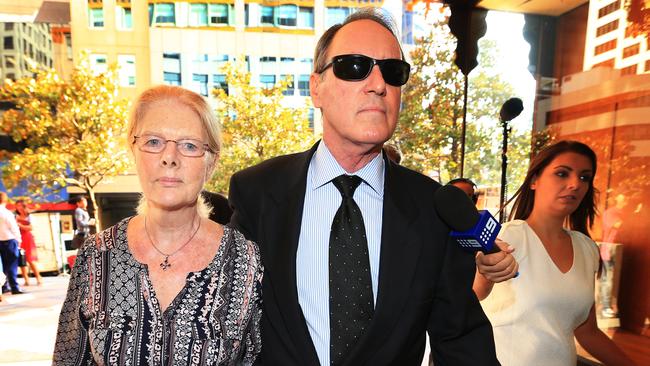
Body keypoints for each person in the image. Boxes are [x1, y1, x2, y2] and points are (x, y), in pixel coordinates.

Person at [229, 8, 498, 366]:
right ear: (315, 88)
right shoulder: (257, 193)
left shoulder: (431, 208)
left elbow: (462, 343)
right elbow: (223, 325)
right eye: (353, 67)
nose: (377, 84)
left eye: (392, 72)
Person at [53, 85, 262, 365]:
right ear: (133, 150)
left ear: (211, 163)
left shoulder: (245, 259)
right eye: (153, 142)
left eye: (189, 145)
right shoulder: (96, 255)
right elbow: (69, 360)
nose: (169, 157)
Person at [473, 140, 635, 365]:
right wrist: (485, 273)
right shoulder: (509, 237)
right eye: (562, 173)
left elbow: (587, 332)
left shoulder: (587, 249)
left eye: (584, 177)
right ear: (534, 180)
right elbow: (473, 296)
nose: (575, 185)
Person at [0, 192, 25, 295]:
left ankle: (4, 286)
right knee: (11, 265)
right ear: (5, 200)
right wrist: (19, 240)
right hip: (9, 240)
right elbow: (14, 228)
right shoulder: (7, 213)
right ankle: (14, 287)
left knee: (2, 266)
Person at [15, 199, 43, 286]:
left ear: (24, 206)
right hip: (19, 238)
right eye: (17, 205)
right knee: (22, 260)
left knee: (31, 259)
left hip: (28, 238)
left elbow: (30, 228)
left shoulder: (30, 216)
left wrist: (20, 225)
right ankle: (26, 279)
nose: (18, 207)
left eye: (19, 205)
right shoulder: (15, 216)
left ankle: (38, 277)